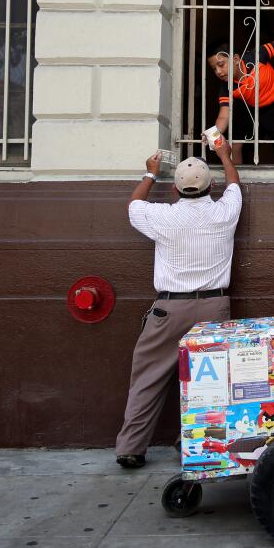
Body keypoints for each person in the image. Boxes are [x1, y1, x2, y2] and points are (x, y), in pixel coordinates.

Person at [114, 138, 241, 468]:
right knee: (211, 382)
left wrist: (150, 174)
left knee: (147, 378)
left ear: (176, 190)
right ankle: (196, 443)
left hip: (170, 309)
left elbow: (133, 206)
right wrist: (225, 156)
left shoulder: (163, 217)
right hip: (214, 308)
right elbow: (235, 186)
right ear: (210, 187)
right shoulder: (225, 212)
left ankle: (131, 448)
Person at [207, 7, 274, 165]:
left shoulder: (255, 56)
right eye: (214, 68)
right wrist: (213, 134)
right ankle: (236, 181)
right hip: (249, 106)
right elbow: (224, 116)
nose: (218, 71)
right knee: (235, 144)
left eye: (221, 65)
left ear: (236, 59)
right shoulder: (226, 86)